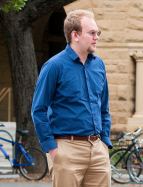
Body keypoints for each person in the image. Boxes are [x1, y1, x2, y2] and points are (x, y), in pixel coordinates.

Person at [31, 10, 111, 187]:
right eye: (91, 33)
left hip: (98, 149)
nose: (96, 37)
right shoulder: (54, 66)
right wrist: (52, 149)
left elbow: (104, 108)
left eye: (98, 32)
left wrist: (104, 142)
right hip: (67, 148)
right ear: (75, 35)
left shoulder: (99, 65)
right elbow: (38, 109)